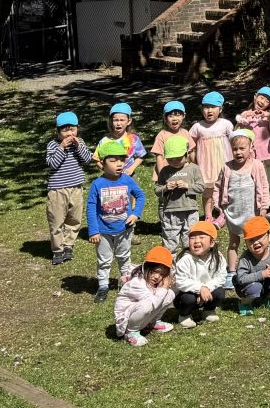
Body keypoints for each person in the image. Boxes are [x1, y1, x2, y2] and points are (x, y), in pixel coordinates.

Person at [86, 139, 146, 303]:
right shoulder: (97, 184)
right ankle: (103, 286)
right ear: (102, 163)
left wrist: (135, 214)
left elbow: (140, 196)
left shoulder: (127, 180)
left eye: (121, 160)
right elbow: (91, 208)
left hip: (124, 229)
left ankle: (126, 284)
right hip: (103, 231)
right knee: (104, 259)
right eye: (113, 161)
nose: (119, 164)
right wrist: (93, 231)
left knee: (124, 256)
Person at [217, 129, 270, 274]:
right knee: (233, 243)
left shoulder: (257, 165)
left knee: (254, 242)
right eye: (235, 149)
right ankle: (232, 271)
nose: (238, 152)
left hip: (252, 212)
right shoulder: (227, 167)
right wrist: (219, 206)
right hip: (233, 212)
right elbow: (218, 187)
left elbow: (264, 186)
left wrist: (264, 206)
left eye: (242, 148)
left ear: (251, 148)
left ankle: (254, 269)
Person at [46, 110, 93, 265]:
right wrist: (61, 148)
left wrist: (79, 147)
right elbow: (52, 164)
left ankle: (68, 245)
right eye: (65, 130)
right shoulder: (53, 145)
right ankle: (57, 250)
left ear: (77, 129)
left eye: (72, 129)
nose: (69, 134)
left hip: (76, 187)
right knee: (56, 220)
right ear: (58, 132)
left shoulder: (80, 143)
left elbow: (87, 160)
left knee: (74, 218)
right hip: (57, 190)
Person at [113, 246, 176, 347]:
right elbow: (152, 303)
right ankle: (130, 332)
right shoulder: (137, 282)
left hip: (143, 315)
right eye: (155, 271)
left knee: (170, 294)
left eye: (162, 274)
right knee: (148, 303)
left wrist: (167, 285)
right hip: (127, 320)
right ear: (146, 267)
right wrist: (163, 287)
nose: (157, 277)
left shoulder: (152, 281)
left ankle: (152, 322)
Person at [237, 87, 270, 220]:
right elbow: (238, 132)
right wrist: (243, 119)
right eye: (261, 97)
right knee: (255, 181)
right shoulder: (246, 113)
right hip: (252, 155)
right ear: (255, 96)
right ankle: (258, 206)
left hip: (269, 153)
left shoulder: (269, 114)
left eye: (267, 101)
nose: (262, 102)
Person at [154, 135, 204, 254]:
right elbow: (157, 190)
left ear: (186, 154)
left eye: (178, 159)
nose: (174, 162)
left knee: (190, 238)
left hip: (190, 210)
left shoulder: (194, 168)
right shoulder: (165, 171)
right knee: (170, 240)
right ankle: (170, 262)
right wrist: (166, 188)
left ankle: (189, 259)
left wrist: (187, 186)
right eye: (170, 160)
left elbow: (201, 187)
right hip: (171, 212)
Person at [174, 220, 228, 327]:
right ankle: (184, 315)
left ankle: (209, 310)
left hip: (207, 292)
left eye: (201, 237)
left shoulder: (218, 257)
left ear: (212, 243)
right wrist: (199, 289)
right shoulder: (185, 259)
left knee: (219, 293)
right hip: (188, 295)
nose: (196, 241)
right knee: (188, 299)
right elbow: (180, 281)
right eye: (192, 238)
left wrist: (206, 288)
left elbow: (221, 277)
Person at [189, 91, 233, 221]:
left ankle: (223, 212)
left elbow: (234, 141)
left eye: (213, 107)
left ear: (220, 109)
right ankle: (208, 214)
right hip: (205, 165)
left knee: (225, 188)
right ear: (202, 109)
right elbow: (190, 146)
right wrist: (193, 162)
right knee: (207, 190)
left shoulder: (226, 124)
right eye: (206, 107)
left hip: (223, 162)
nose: (209, 110)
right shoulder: (197, 127)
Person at [233, 216, 270, 316]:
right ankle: (245, 303)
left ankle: (268, 298)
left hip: (266, 283)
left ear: (269, 237)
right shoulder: (245, 258)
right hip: (247, 286)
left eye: (259, 237)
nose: (256, 242)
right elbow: (241, 278)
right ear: (246, 243)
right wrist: (261, 274)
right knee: (255, 287)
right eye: (251, 240)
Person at [98, 102, 147, 178]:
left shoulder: (133, 139)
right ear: (111, 121)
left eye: (122, 120)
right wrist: (105, 170)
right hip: (110, 177)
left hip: (129, 176)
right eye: (115, 120)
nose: (118, 123)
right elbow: (97, 159)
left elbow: (140, 157)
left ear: (129, 121)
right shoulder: (104, 141)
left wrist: (131, 169)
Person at [150, 100, 192, 181]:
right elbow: (159, 157)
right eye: (170, 116)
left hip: (183, 171)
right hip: (167, 172)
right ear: (165, 119)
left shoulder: (185, 133)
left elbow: (190, 152)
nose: (174, 119)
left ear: (183, 116)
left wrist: (193, 170)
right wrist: (162, 176)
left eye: (178, 115)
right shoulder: (162, 135)